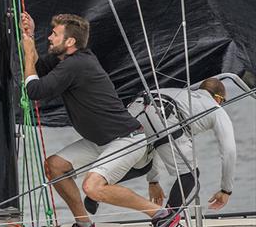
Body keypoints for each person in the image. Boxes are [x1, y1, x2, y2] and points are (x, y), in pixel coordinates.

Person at [21, 11, 180, 227]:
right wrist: (29, 36)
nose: (50, 38)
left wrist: (27, 51)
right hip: (102, 141)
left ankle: (162, 215)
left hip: (127, 139)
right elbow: (37, 68)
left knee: (93, 188)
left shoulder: (77, 65)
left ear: (70, 42)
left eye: (54, 34)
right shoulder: (66, 61)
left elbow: (34, 90)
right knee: (54, 166)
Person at [86, 78, 236, 215]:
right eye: (222, 101)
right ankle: (167, 219)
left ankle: (97, 186)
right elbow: (229, 150)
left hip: (135, 107)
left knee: (141, 164)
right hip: (163, 115)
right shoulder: (216, 109)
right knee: (190, 175)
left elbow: (156, 141)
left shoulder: (182, 93)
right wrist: (226, 190)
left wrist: (153, 181)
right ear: (218, 98)